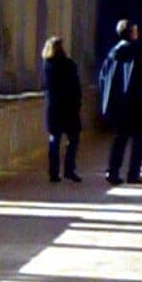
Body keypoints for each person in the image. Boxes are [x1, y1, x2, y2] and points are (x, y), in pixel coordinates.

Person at [98, 19, 142, 184]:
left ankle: (112, 171)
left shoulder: (112, 53)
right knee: (138, 140)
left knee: (119, 139)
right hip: (135, 103)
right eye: (135, 30)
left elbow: (103, 78)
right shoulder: (136, 52)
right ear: (130, 33)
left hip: (118, 104)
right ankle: (133, 174)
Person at [41, 36, 83, 183]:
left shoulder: (47, 65)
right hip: (69, 107)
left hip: (53, 108)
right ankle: (69, 169)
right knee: (73, 139)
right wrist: (77, 103)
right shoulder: (69, 64)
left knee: (54, 140)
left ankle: (54, 172)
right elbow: (76, 86)